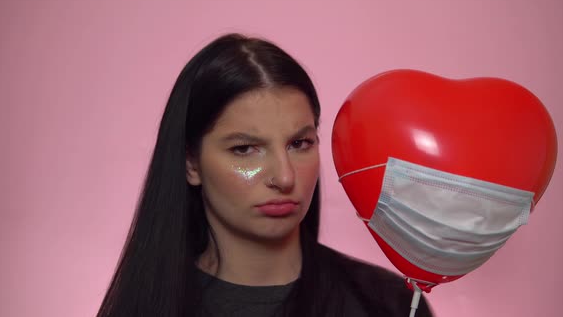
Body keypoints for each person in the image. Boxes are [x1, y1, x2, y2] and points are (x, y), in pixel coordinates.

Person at [96, 33, 433, 317]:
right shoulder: (147, 306)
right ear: (191, 163)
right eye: (244, 149)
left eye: (299, 143)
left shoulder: (389, 305)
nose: (285, 178)